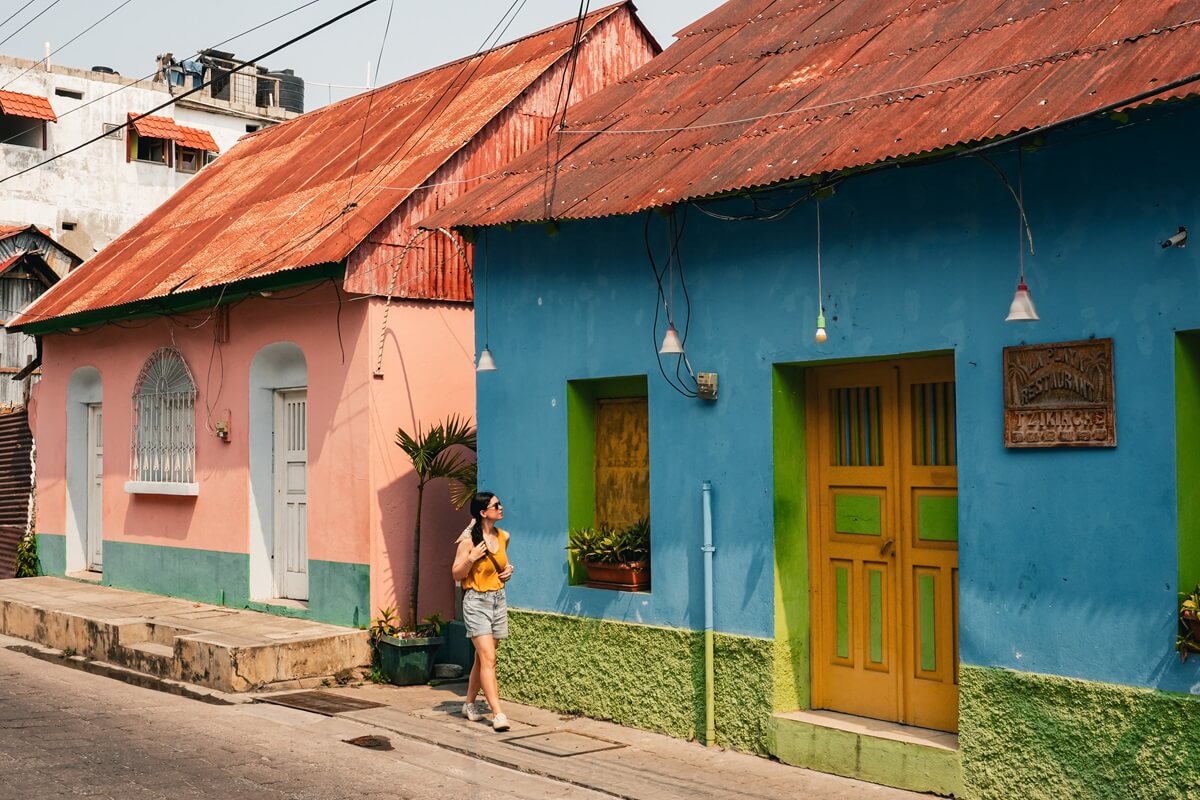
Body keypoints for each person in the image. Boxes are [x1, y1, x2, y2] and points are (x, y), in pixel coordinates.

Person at [451, 491, 514, 731]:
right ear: (482, 512)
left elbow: (501, 566)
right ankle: (498, 714)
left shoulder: (504, 536)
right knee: (489, 658)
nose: (501, 507)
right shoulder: (469, 542)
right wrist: (471, 558)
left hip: (498, 600)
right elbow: (456, 574)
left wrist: (508, 571)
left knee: (482, 657)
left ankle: (469, 703)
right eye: (496, 505)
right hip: (476, 602)